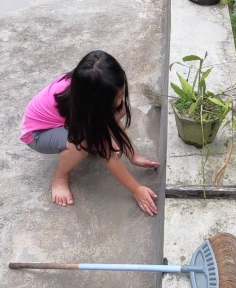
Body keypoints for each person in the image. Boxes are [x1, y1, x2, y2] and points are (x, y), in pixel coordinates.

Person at [20, 50, 160, 215]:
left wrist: (133, 155)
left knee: (96, 132)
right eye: (118, 97)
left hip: (64, 122)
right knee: (80, 143)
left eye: (121, 94)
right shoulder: (87, 113)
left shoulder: (86, 86)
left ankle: (87, 142)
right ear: (97, 105)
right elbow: (109, 157)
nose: (121, 101)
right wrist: (136, 189)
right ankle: (60, 175)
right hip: (37, 134)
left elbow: (112, 122)